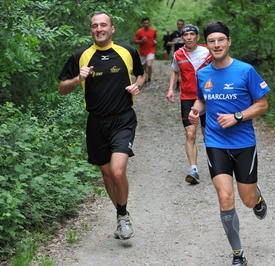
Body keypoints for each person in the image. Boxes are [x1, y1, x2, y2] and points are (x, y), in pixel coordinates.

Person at [58, 12, 145, 241]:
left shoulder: (127, 51)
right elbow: (62, 88)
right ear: (91, 30)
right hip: (96, 122)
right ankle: (120, 217)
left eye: (103, 25)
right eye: (95, 26)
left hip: (123, 119)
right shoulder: (81, 56)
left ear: (112, 28)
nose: (99, 29)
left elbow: (141, 75)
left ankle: (123, 216)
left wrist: (137, 86)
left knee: (117, 171)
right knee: (106, 175)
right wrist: (78, 78)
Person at [188, 21, 269, 266]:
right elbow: (203, 101)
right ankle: (238, 254)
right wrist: (195, 110)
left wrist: (237, 116)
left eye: (220, 40)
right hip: (215, 142)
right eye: (211, 41)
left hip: (244, 143)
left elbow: (263, 105)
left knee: (246, 200)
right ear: (207, 44)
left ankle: (256, 197)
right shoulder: (203, 74)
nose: (216, 45)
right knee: (225, 198)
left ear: (229, 41)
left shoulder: (246, 71)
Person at [166, 24, 212, 184]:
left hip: (208, 98)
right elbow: (175, 71)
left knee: (208, 135)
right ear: (182, 37)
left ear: (197, 37)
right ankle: (193, 169)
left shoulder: (208, 51)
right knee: (190, 134)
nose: (189, 37)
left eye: (192, 34)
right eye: (186, 35)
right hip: (187, 98)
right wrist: (171, 88)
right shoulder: (179, 54)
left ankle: (216, 166)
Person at [134, 17, 157, 85]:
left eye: (147, 23)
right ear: (142, 24)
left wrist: (155, 41)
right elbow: (135, 41)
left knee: (149, 65)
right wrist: (141, 41)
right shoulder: (139, 31)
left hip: (151, 50)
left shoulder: (153, 31)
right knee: (143, 68)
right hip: (143, 52)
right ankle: (145, 79)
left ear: (149, 23)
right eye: (145, 23)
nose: (146, 24)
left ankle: (149, 79)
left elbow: (155, 38)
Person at [167, 19, 185, 91]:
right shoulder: (174, 33)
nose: (180, 26)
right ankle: (177, 84)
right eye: (179, 24)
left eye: (181, 24)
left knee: (183, 70)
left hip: (185, 53)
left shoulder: (186, 33)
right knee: (176, 69)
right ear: (177, 25)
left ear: (183, 25)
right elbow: (168, 43)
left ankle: (182, 84)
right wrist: (174, 43)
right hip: (176, 54)